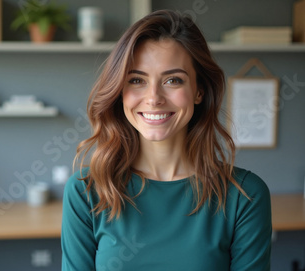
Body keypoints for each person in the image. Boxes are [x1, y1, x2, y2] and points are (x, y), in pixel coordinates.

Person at [61, 10, 272, 271]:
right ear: (120, 92)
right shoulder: (87, 192)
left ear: (198, 91)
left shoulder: (245, 195)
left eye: (173, 80)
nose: (153, 98)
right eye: (137, 80)